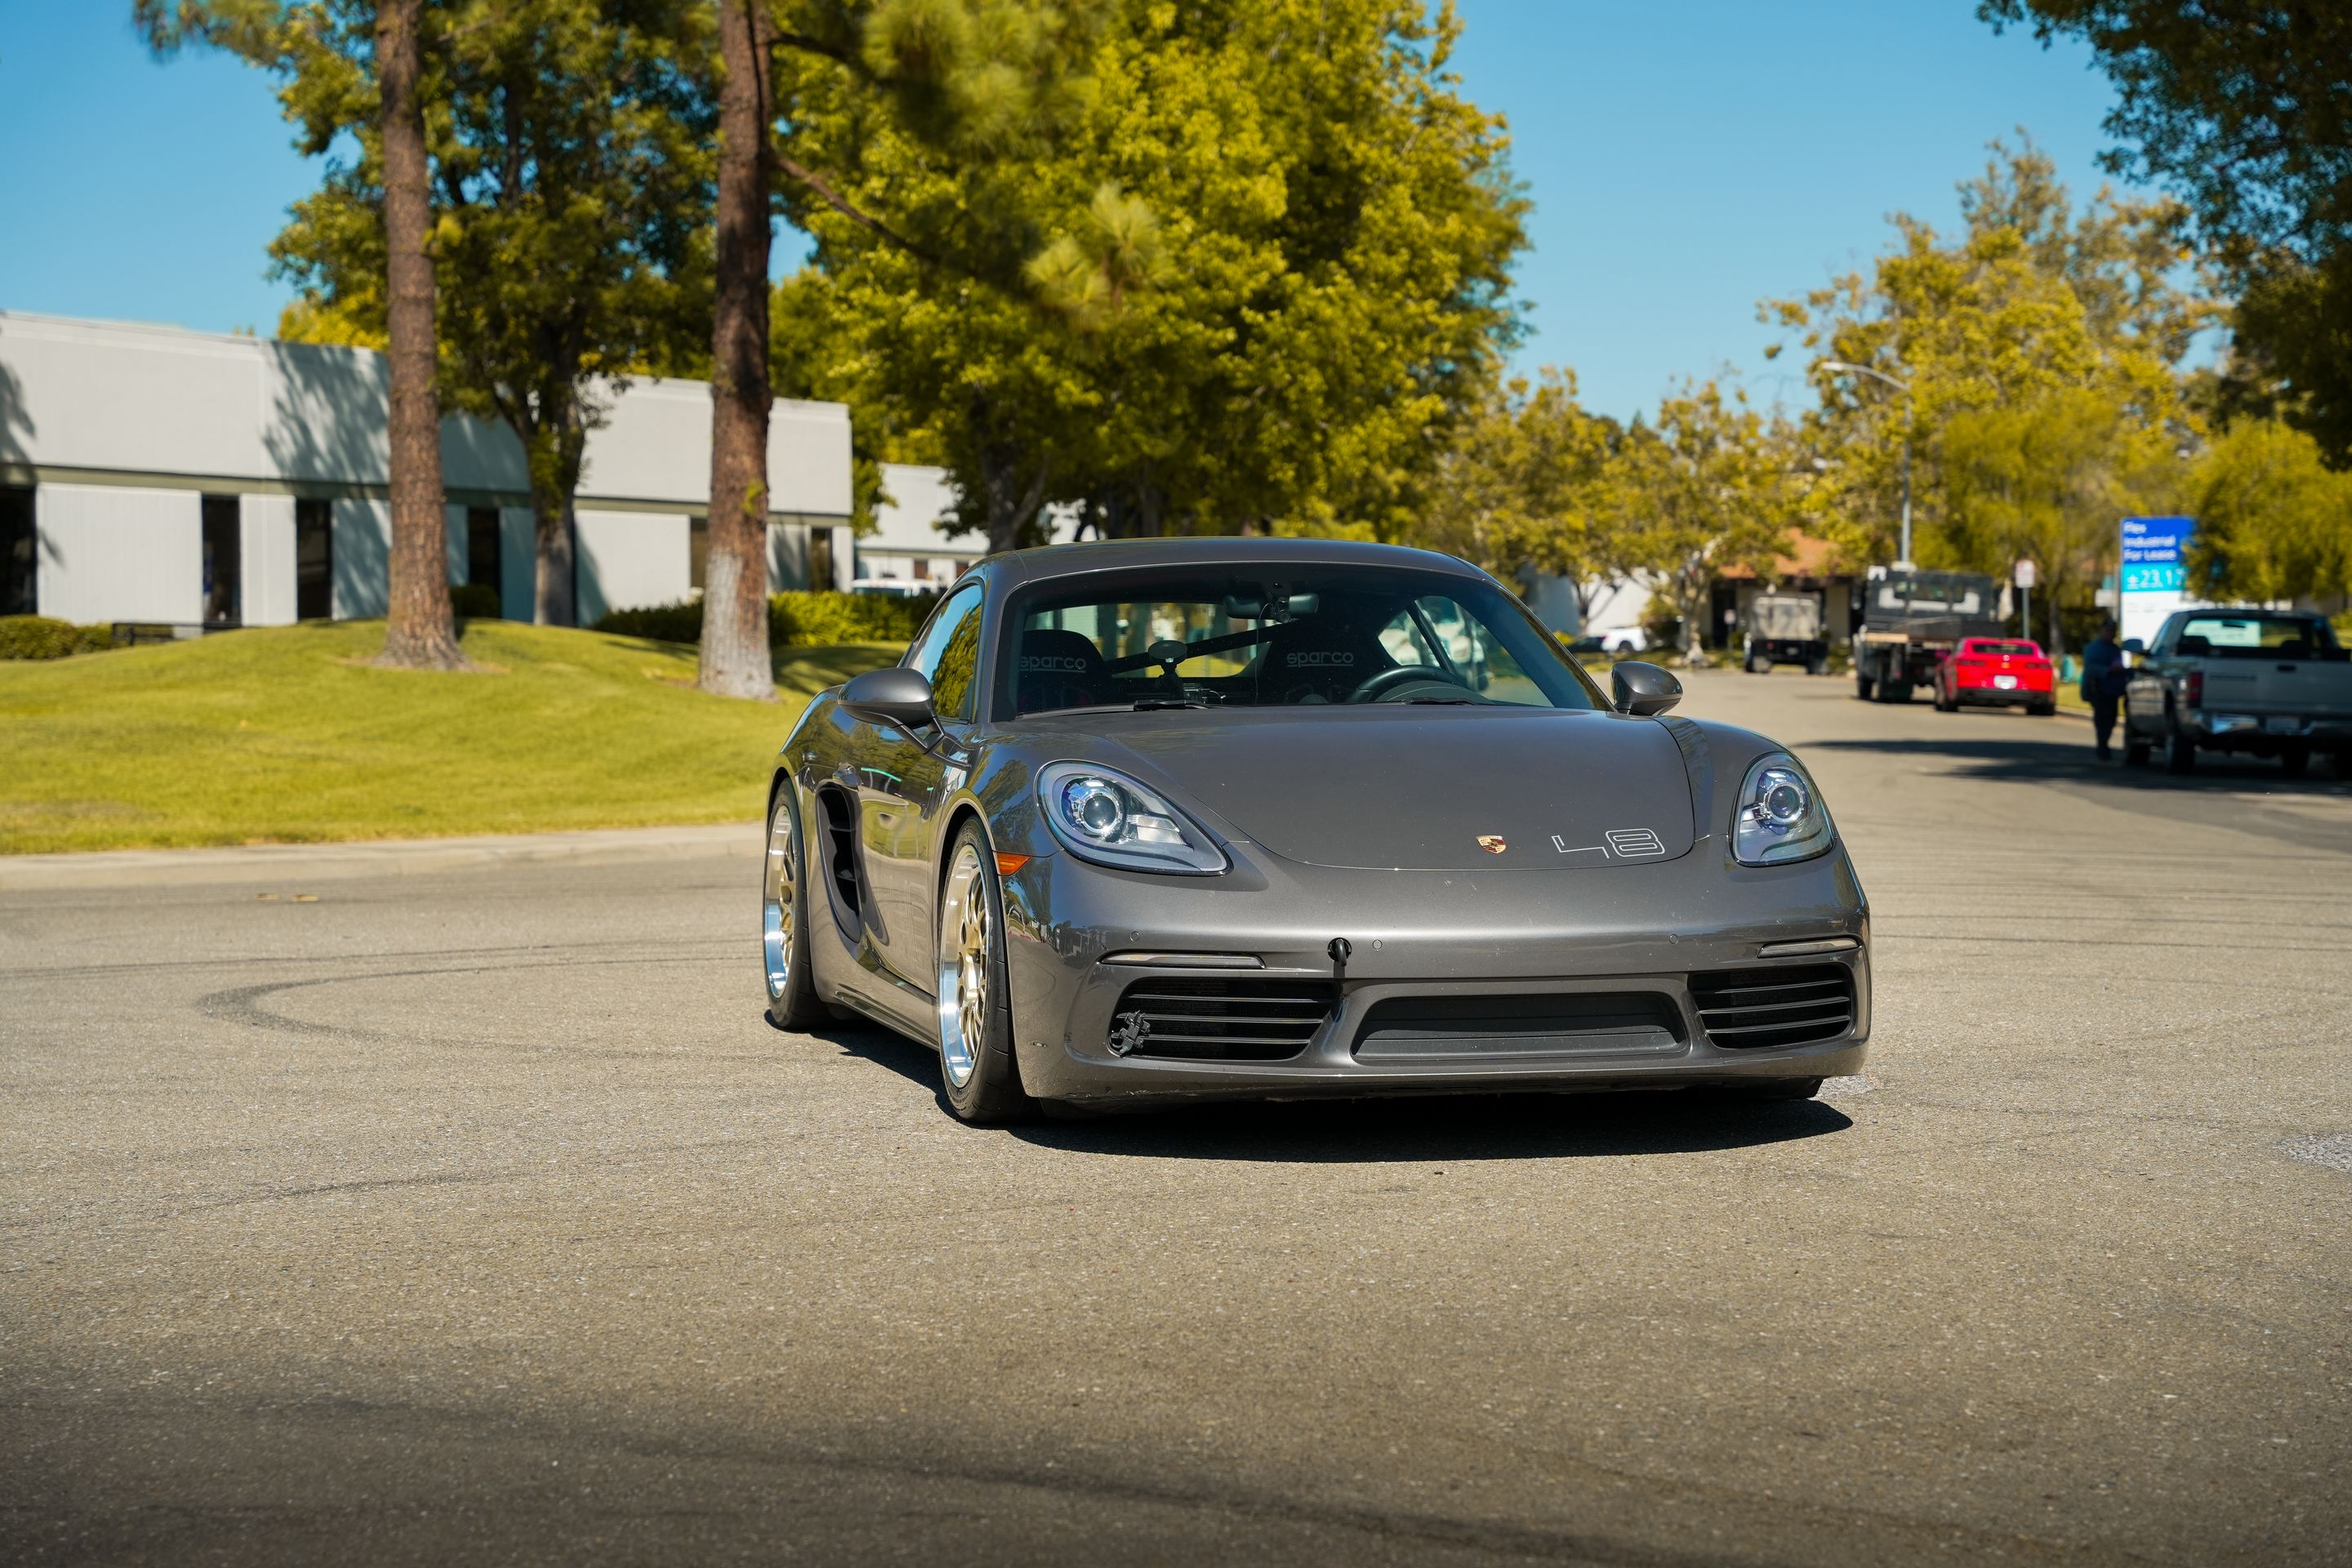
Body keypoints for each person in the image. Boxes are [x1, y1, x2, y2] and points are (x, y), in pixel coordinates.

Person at [2081, 618, 2125, 760]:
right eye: (2108, 630)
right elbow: (2090, 667)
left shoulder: (2115, 649)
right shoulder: (2093, 648)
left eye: (2113, 631)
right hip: (2098, 690)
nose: (2110, 633)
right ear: (2101, 631)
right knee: (2101, 720)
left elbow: (2119, 664)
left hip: (2113, 690)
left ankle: (2104, 744)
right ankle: (2102, 746)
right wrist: (2107, 670)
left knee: (2111, 719)